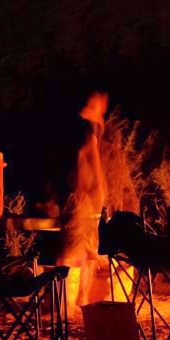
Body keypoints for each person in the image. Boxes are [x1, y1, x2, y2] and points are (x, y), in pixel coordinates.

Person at [36, 91, 110, 318]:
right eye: (101, 106)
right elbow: (88, 157)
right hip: (78, 195)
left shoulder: (71, 126)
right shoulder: (85, 128)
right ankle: (63, 304)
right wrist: (100, 186)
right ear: (95, 103)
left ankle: (81, 299)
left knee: (86, 250)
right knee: (71, 249)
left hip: (77, 195)